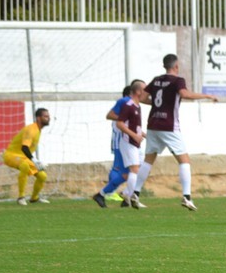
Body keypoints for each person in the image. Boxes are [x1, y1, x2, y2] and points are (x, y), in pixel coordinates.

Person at [132, 54, 217, 211]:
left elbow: (142, 98)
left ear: (165, 65)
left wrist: (158, 104)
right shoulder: (178, 81)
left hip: (153, 124)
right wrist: (206, 95)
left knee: (148, 160)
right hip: (169, 125)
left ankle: (135, 194)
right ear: (176, 66)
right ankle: (187, 197)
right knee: (184, 160)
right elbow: (185, 94)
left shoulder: (156, 80)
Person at [93, 80, 145, 208]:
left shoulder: (135, 105)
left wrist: (142, 133)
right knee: (124, 173)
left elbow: (130, 124)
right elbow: (110, 116)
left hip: (130, 141)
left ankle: (125, 195)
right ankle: (112, 194)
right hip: (122, 142)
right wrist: (124, 119)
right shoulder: (125, 102)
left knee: (134, 171)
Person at [3, 108, 51, 205]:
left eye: (48, 116)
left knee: (42, 176)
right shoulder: (31, 129)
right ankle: (21, 197)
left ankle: (34, 198)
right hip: (11, 155)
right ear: (38, 118)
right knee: (24, 165)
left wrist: (34, 161)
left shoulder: (38, 130)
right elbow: (24, 147)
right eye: (45, 116)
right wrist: (35, 160)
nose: (48, 118)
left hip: (23, 157)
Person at [115, 86, 146, 209]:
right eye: (144, 90)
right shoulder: (128, 105)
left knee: (141, 168)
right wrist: (134, 135)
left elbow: (134, 126)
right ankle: (133, 198)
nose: (146, 92)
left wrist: (144, 135)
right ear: (138, 91)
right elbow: (119, 123)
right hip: (128, 142)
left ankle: (127, 194)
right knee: (134, 169)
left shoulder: (138, 106)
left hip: (136, 143)